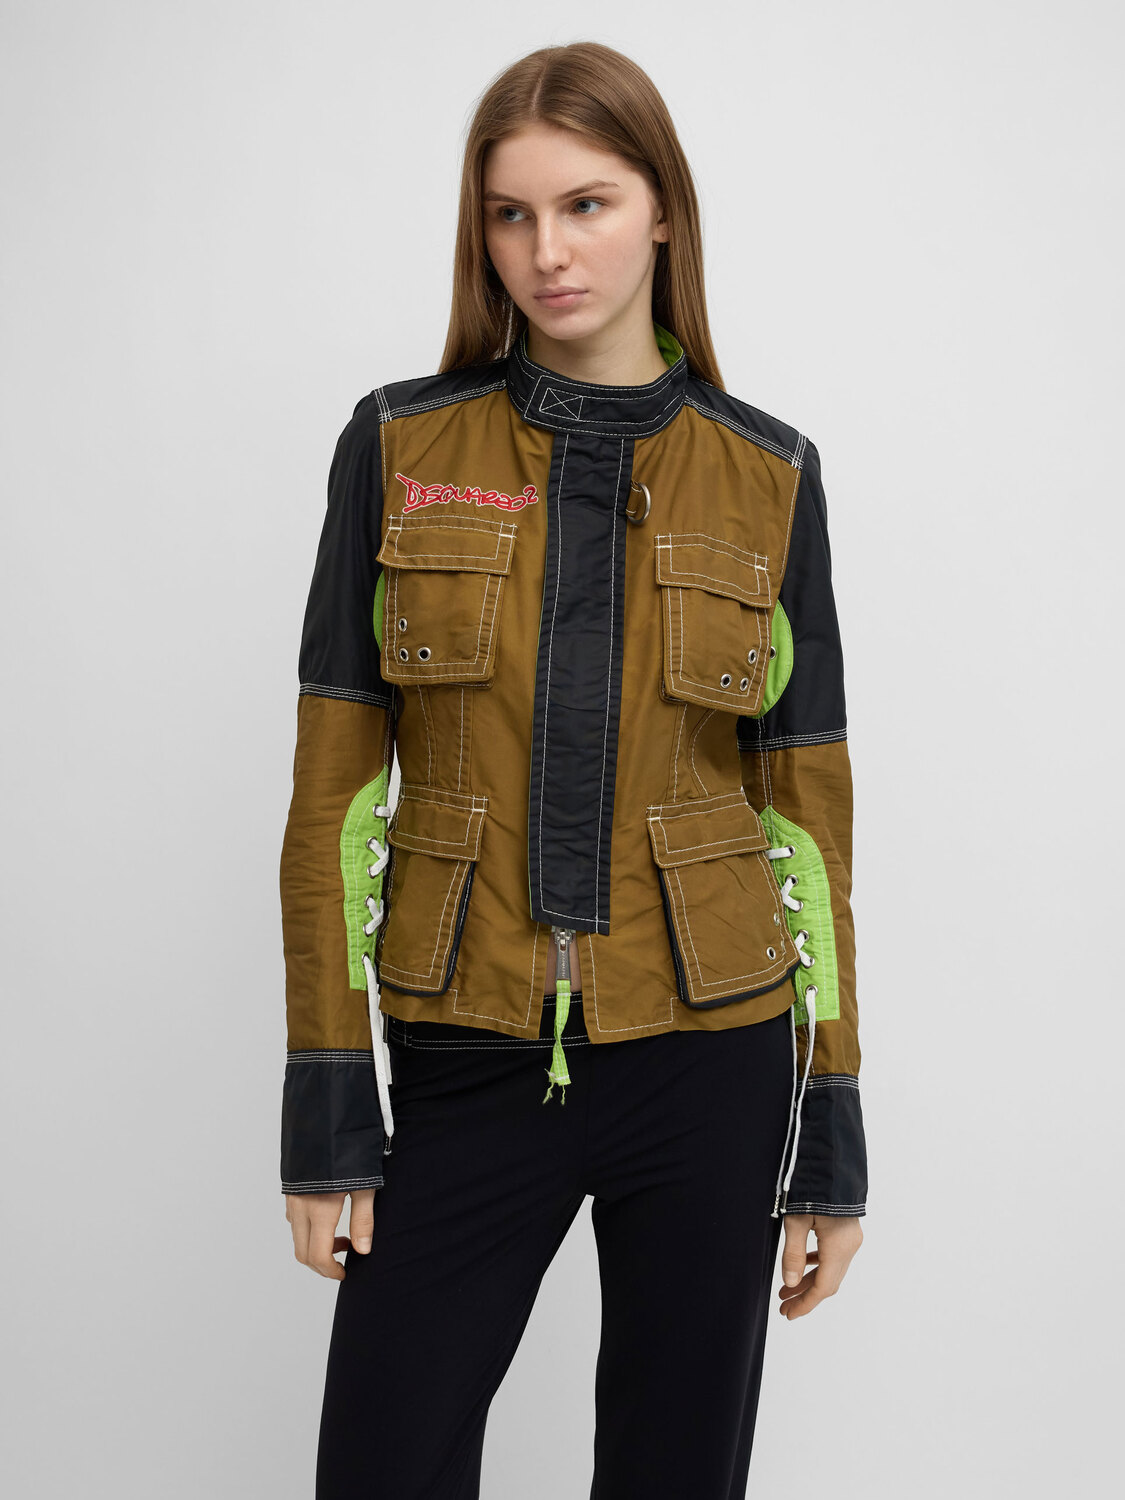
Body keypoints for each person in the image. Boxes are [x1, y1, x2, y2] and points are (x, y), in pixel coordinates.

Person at [279, 40, 868, 1500]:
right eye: (511, 214)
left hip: (713, 1053)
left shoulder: (771, 475)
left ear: (662, 211)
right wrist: (327, 1099)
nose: (548, 252)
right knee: (384, 1462)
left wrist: (831, 1115)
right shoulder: (399, 444)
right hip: (467, 1047)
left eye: (586, 204)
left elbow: (806, 824)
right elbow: (334, 801)